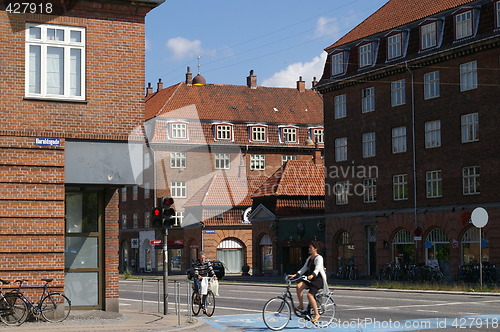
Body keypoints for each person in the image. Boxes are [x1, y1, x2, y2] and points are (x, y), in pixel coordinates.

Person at [289, 241, 328, 322]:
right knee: (298, 286)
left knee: (310, 295)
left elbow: (317, 269)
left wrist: (312, 275)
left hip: (318, 279)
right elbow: (304, 268)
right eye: (309, 247)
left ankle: (317, 314)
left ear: (315, 249)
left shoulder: (319, 258)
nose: (309, 249)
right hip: (310, 278)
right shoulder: (309, 258)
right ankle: (301, 305)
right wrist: (295, 275)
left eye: (310, 248)